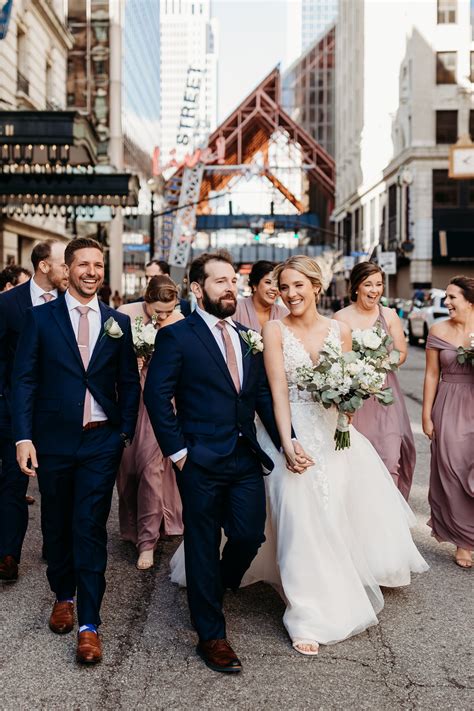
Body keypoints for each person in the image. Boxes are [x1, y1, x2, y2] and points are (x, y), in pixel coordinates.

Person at [144, 251, 311, 674]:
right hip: (198, 460)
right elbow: (157, 397)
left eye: (232, 280)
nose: (230, 287)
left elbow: (257, 398)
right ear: (197, 289)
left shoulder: (244, 334)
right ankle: (212, 636)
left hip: (244, 457)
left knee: (248, 535)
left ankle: (216, 585)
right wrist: (180, 453)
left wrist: (287, 442)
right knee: (201, 542)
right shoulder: (178, 336)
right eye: (220, 281)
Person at [12, 237, 140, 665]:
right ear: (67, 270)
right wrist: (24, 437)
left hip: (101, 441)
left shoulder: (117, 321)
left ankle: (90, 623)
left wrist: (123, 431)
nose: (91, 272)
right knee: (57, 522)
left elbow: (129, 381)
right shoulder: (40, 319)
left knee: (88, 526)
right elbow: (24, 380)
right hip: (53, 440)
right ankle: (62, 593)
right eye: (83, 264)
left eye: (98, 265)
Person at [0, 240, 68, 583]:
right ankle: (8, 554)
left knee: (54, 486)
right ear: (44, 266)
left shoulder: (73, 304)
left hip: (58, 412)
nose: (69, 271)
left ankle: (53, 546)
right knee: (13, 483)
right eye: (63, 264)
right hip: (15, 410)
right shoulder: (8, 304)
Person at [117, 275, 184, 570]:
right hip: (129, 402)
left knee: (152, 470)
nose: (163, 316)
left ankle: (148, 543)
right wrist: (134, 362)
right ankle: (133, 530)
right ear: (146, 302)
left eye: (169, 310)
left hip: (162, 404)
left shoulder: (181, 323)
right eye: (158, 310)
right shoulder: (125, 316)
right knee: (127, 472)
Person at [334, 261, 416, 500]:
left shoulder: (389, 315)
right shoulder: (341, 318)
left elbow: (401, 352)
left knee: (391, 458)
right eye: (368, 284)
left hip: (385, 396)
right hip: (355, 399)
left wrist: (378, 364)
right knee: (356, 461)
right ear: (356, 287)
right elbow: (335, 356)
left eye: (379, 284)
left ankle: (391, 519)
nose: (374, 290)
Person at [422, 275, 474, 569]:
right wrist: (426, 414)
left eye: (453, 297)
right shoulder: (438, 329)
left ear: (470, 301)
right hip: (450, 404)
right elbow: (431, 374)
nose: (447, 302)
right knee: (453, 471)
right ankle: (463, 540)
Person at [234, 260, 288, 333]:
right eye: (268, 282)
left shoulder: (284, 313)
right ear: (255, 285)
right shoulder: (236, 308)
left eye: (277, 285)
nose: (274, 288)